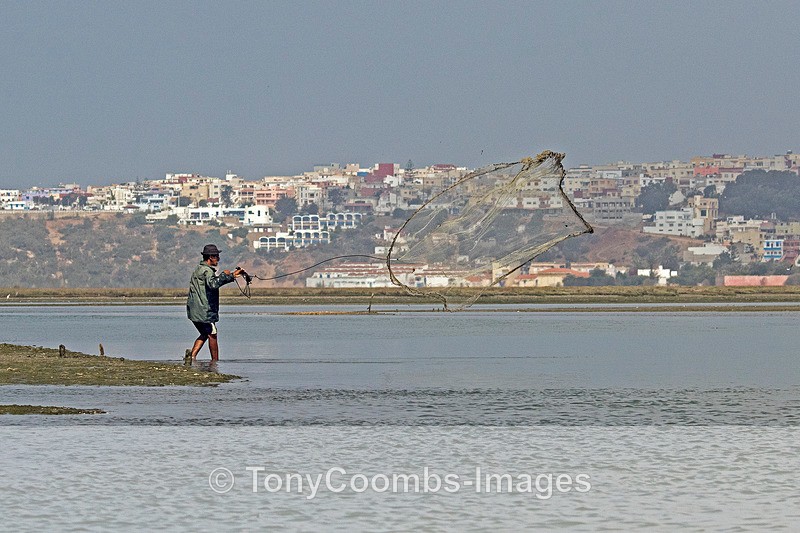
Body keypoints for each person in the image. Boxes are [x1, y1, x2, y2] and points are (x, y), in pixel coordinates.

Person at [185, 244, 243, 362]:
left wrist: (232, 276)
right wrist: (225, 275)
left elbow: (212, 282)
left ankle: (191, 357)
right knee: (212, 334)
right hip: (203, 310)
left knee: (205, 333)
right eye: (216, 256)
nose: (218, 259)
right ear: (210, 257)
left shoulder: (199, 269)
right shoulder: (207, 271)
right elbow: (213, 284)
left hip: (195, 309)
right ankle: (215, 362)